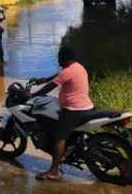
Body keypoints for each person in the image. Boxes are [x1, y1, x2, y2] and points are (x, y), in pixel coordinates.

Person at [29, 45, 94, 181]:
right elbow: (58, 76)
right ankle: (68, 151)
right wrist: (43, 79)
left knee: (59, 138)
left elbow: (48, 88)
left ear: (63, 58)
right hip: (87, 107)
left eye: (59, 58)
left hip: (74, 110)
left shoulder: (67, 72)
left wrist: (31, 95)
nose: (58, 61)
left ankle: (54, 171)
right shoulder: (77, 67)